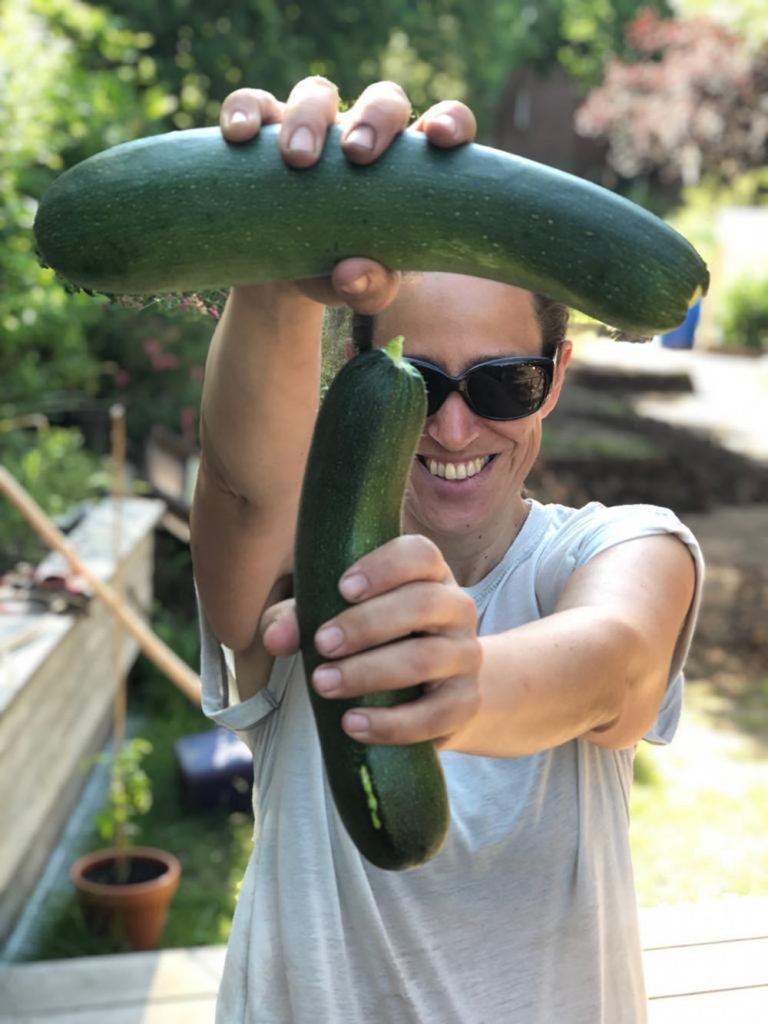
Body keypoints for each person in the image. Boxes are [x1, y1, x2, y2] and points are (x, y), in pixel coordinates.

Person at [190, 77, 704, 1024]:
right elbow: (241, 483)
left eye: (506, 381)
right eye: (418, 380)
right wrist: (279, 250)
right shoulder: (300, 575)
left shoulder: (620, 545)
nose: (459, 427)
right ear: (354, 373)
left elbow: (614, 665)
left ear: (555, 380)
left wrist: (457, 680)